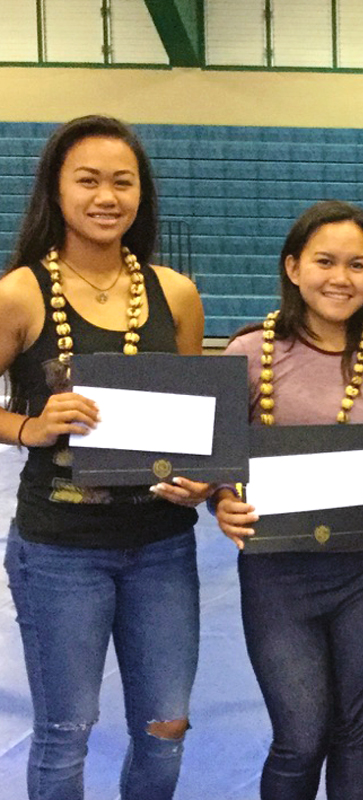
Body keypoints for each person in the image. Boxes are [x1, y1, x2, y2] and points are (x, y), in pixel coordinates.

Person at [0, 114, 205, 800]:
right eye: (87, 180)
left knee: (165, 728)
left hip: (162, 546)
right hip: (60, 551)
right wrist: (29, 427)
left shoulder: (175, 293)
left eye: (122, 182)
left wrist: (201, 481)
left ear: (141, 194)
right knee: (66, 730)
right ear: (56, 190)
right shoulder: (20, 294)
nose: (106, 196)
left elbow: (195, 425)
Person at [207, 201, 363, 800]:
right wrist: (220, 499)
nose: (340, 278)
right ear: (293, 267)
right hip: (277, 573)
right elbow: (215, 458)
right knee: (300, 734)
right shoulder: (248, 354)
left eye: (357, 265)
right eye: (324, 261)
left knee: (353, 728)